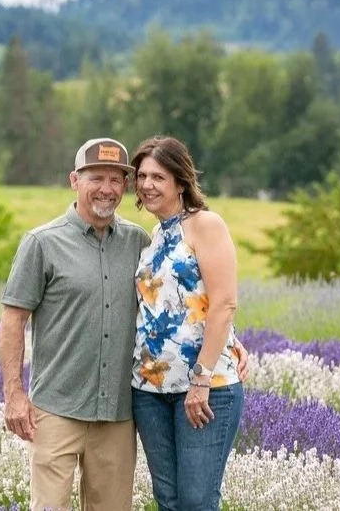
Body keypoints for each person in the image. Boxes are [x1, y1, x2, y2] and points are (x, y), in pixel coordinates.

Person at [0, 137, 248, 511]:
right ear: (74, 180)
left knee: (189, 501)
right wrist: (14, 393)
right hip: (70, 405)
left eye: (118, 180)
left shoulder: (142, 239)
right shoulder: (46, 243)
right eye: (96, 178)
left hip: (125, 410)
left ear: (180, 182)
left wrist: (228, 343)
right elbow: (12, 320)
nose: (108, 189)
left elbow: (210, 299)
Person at [130, 135, 244, 511]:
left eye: (158, 177)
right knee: (169, 501)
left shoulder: (205, 225)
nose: (147, 185)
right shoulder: (153, 239)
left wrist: (202, 378)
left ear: (180, 181)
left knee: (196, 502)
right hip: (149, 390)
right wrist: (236, 340)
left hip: (204, 389)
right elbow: (188, 302)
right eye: (142, 176)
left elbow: (225, 302)